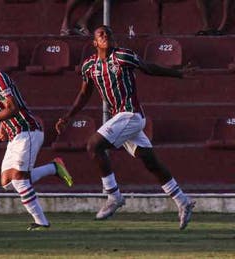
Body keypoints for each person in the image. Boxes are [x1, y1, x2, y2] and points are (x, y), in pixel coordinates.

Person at [55, 26, 196, 230]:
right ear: (94, 43)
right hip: (120, 119)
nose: (105, 35)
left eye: (109, 33)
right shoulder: (89, 66)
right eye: (101, 34)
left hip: (131, 114)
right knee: (150, 161)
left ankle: (113, 196)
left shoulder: (123, 56)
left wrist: (178, 74)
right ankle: (183, 201)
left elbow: (149, 68)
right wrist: (67, 116)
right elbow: (84, 94)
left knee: (94, 145)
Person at [0, 48, 73, 231]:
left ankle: (42, 223)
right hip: (15, 135)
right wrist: (2, 127)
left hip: (28, 130)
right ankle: (54, 168)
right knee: (7, 182)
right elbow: (1, 109)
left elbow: (13, 107)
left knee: (19, 178)